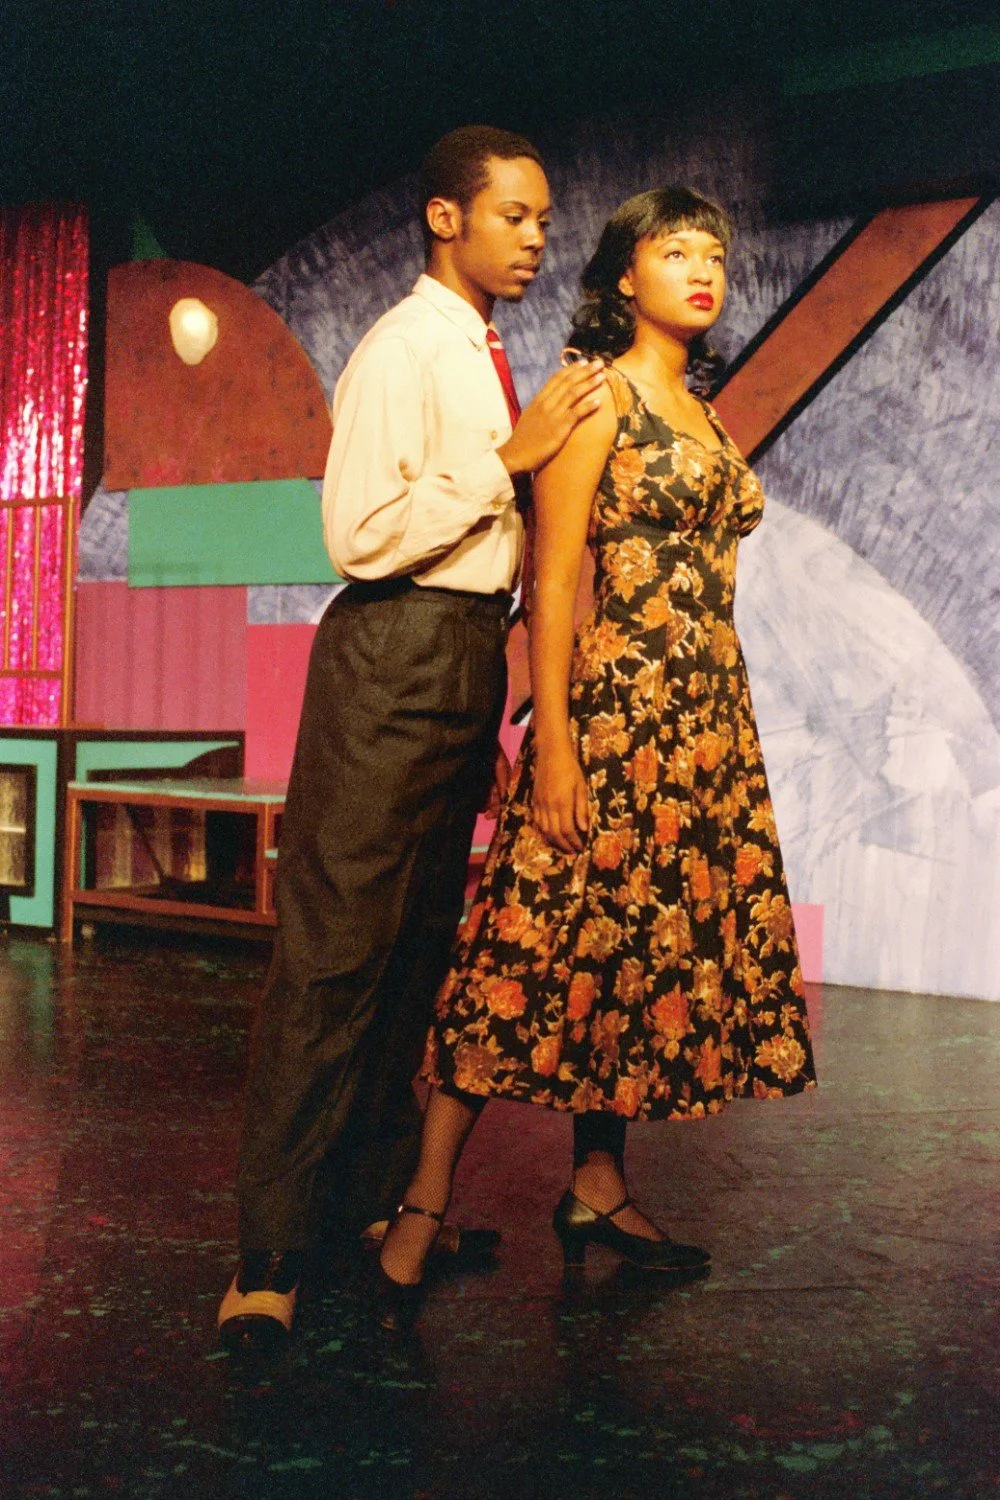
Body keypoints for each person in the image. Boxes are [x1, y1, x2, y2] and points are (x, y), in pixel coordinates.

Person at [375, 186, 818, 1332]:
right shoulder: (596, 397)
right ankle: (422, 1205)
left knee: (633, 954)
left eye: (714, 253)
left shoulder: (701, 410)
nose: (702, 269)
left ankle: (598, 1183)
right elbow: (553, 579)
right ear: (626, 276)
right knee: (527, 942)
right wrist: (555, 748)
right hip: (613, 719)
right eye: (675, 251)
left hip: (703, 724)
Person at [218, 125, 606, 1351]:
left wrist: (483, 698)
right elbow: (358, 536)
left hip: (455, 655)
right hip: (390, 646)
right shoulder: (402, 346)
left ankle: (370, 1210)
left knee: (415, 955)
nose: (535, 240)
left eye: (543, 221)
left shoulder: (480, 347)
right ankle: (269, 1255)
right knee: (334, 958)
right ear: (447, 218)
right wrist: (508, 460)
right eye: (513, 216)